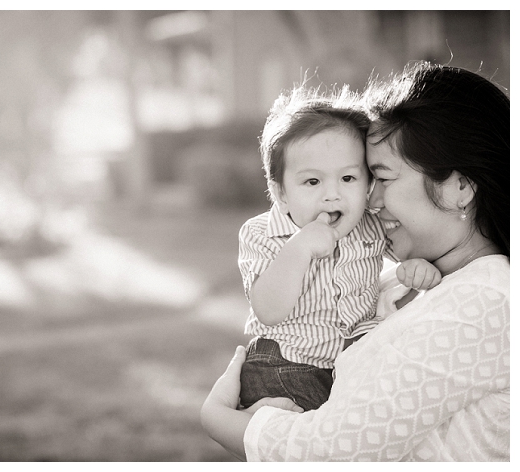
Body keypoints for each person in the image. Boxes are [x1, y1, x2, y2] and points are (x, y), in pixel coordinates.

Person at [201, 62, 510, 461]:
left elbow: (338, 453)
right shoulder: (406, 281)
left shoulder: (484, 303)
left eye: (382, 177)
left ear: (460, 187)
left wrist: (217, 418)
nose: (371, 200)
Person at [237, 86, 440, 412]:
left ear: (368, 184)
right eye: (313, 182)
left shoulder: (369, 225)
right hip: (284, 365)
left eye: (348, 178)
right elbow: (268, 310)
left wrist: (416, 269)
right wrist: (299, 247)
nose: (332, 194)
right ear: (281, 193)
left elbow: (407, 253)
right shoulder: (264, 234)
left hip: (343, 371)